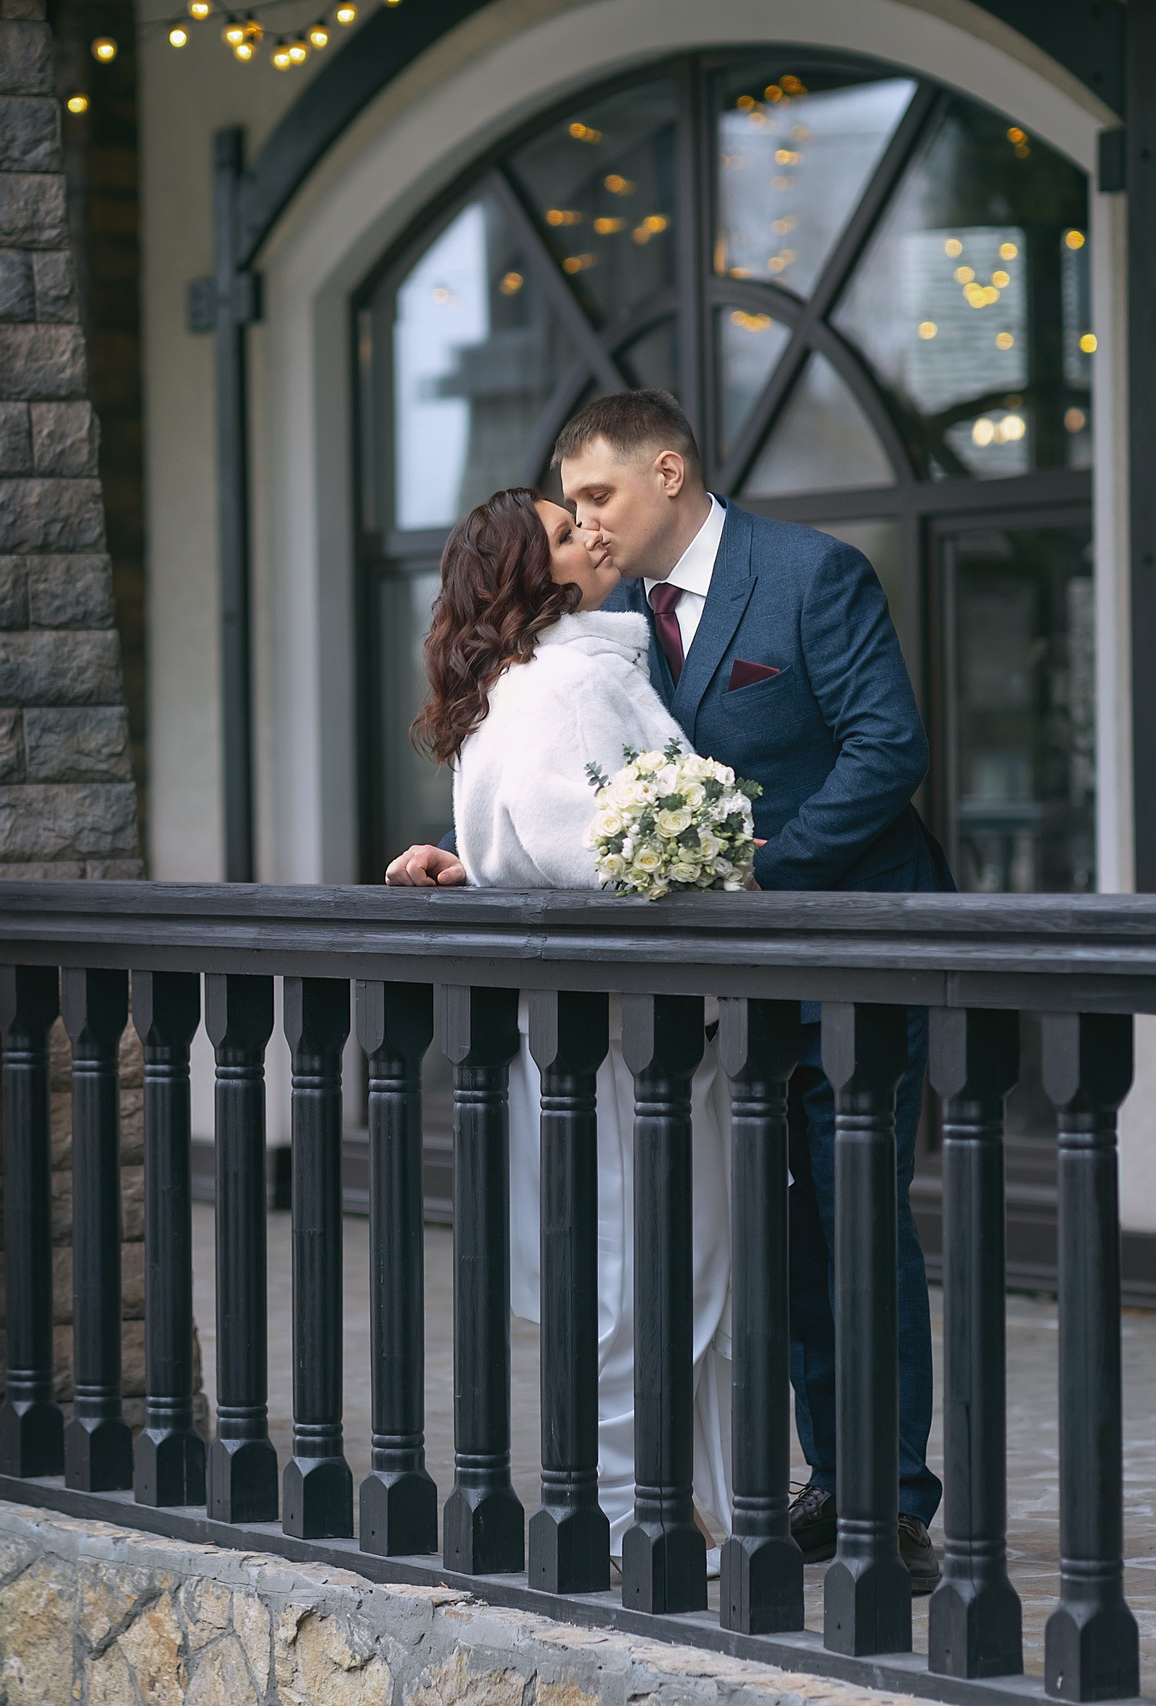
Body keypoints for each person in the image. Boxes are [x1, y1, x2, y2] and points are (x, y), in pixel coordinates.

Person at [387, 390, 949, 1593]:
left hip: (845, 955)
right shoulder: (606, 622)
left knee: (856, 1223)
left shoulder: (810, 574)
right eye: (569, 507)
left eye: (597, 495)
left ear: (668, 470)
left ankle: (890, 1501)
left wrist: (756, 881)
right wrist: (481, 864)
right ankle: (824, 1480)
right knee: (776, 1244)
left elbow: (885, 749)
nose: (587, 520)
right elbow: (586, 784)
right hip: (716, 1005)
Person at [410, 487, 735, 1578]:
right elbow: (599, 851)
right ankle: (642, 1510)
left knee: (617, 1266)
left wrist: (476, 867)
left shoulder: (519, 688)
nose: (592, 530)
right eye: (564, 529)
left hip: (564, 1038)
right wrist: (716, 852)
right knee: (654, 1270)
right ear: (526, 581)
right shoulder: (573, 682)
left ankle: (654, 1500)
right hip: (625, 1043)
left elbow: (530, 838)